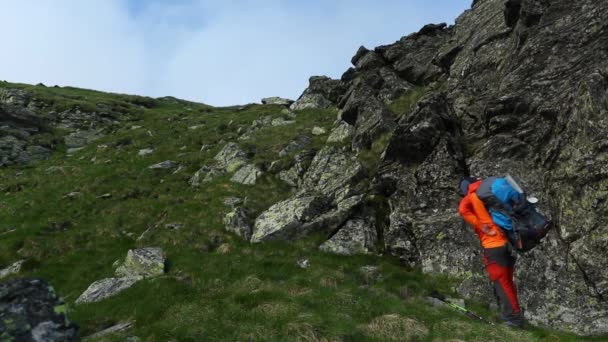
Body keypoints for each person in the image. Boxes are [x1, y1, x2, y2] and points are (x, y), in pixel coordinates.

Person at [458, 176, 524, 327]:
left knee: (502, 282)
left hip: (493, 245)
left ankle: (513, 318)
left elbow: (462, 209)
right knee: (508, 281)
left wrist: (480, 225)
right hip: (508, 242)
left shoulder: (472, 195)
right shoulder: (491, 192)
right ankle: (513, 314)